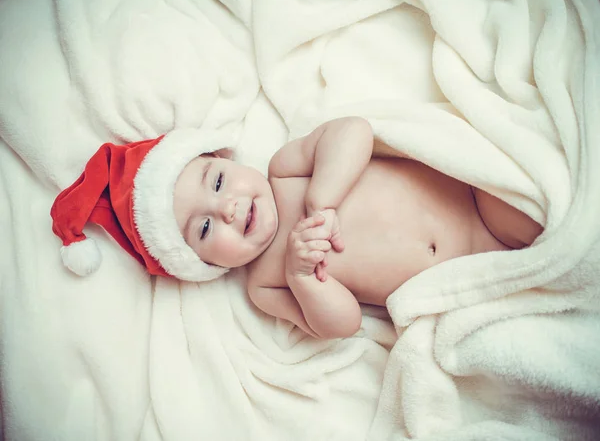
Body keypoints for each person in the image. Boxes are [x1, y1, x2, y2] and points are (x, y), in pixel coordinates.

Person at [50, 118, 542, 339]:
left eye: (218, 181)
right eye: (202, 228)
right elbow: (343, 326)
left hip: (479, 203)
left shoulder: (286, 170)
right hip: (465, 290)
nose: (226, 209)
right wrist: (304, 277)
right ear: (201, 265)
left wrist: (322, 197)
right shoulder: (267, 285)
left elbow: (355, 131)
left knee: (542, 213)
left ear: (225, 158)